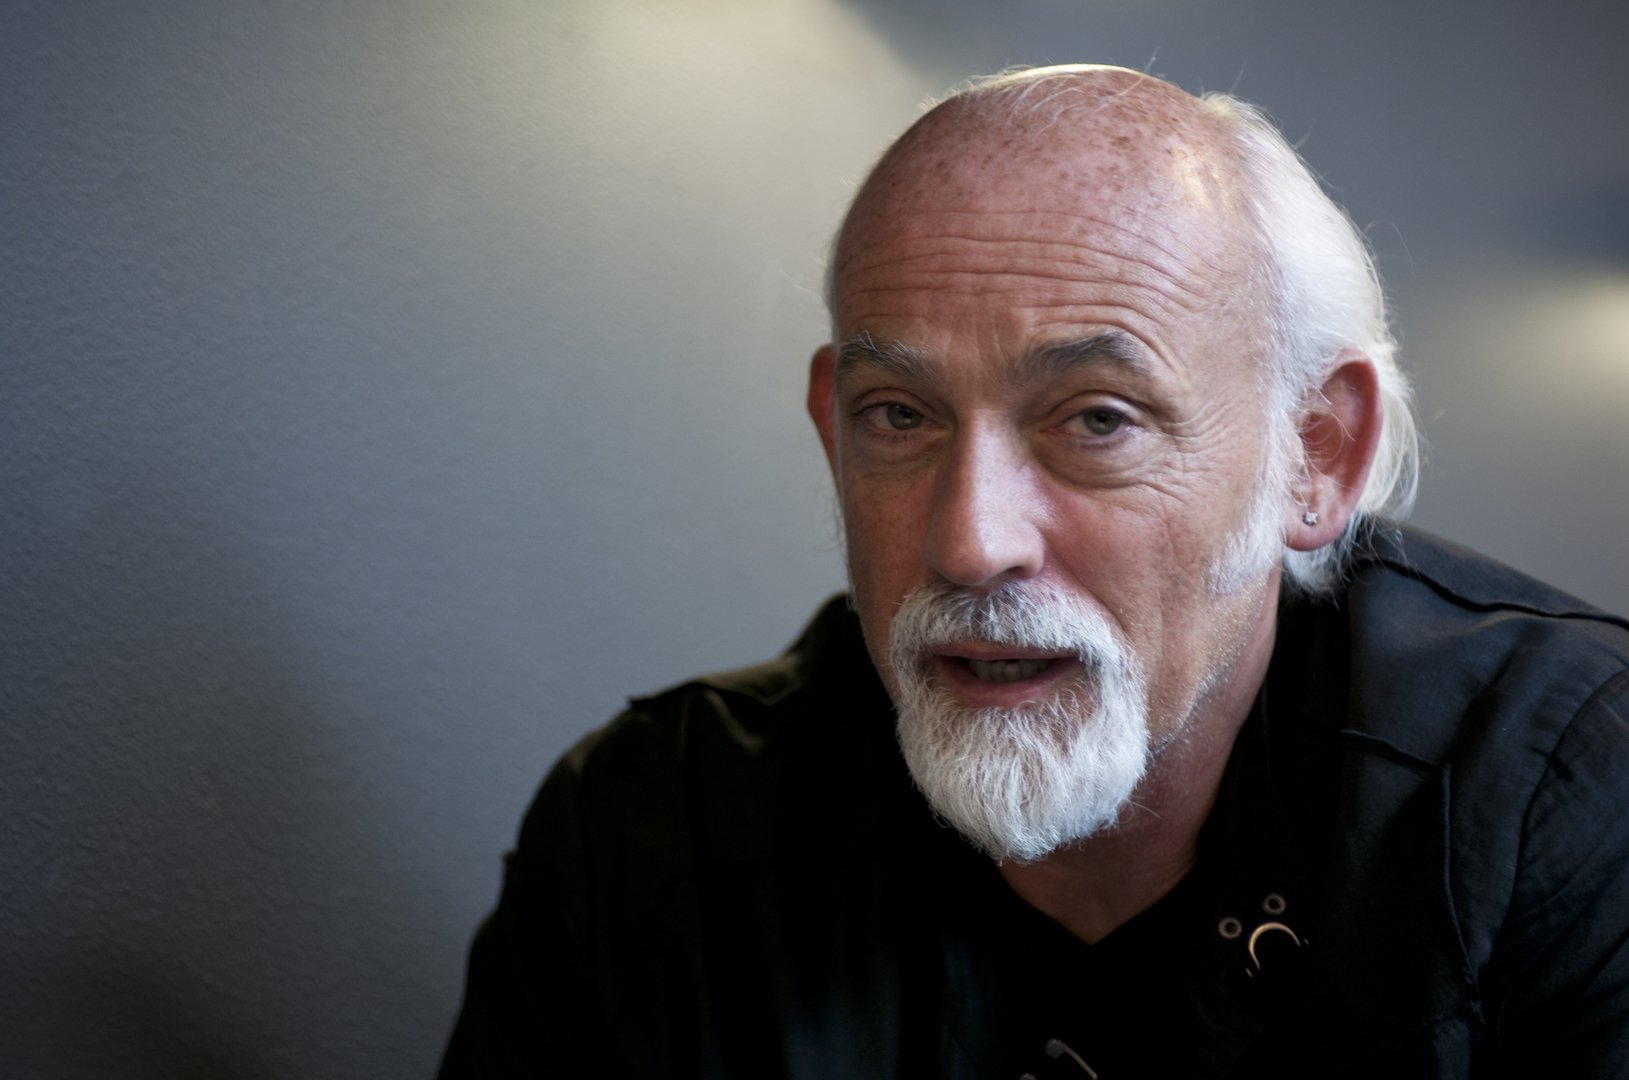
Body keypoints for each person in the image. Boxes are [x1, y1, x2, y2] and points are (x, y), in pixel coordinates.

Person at [437, 65, 1629, 1078]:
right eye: (900, 415)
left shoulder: (1566, 794)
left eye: (1098, 419)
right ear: (833, 433)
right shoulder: (650, 833)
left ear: (1313, 455)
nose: (969, 544)